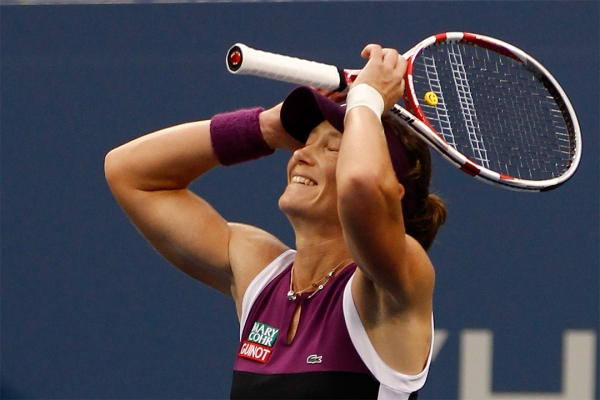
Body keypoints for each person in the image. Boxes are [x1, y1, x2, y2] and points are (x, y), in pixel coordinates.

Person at [104, 44, 446, 399]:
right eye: (305, 142)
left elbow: (361, 184)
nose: (300, 155)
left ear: (393, 193)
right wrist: (263, 128)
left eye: (332, 148)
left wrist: (368, 98)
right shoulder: (260, 272)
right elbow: (129, 173)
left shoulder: (397, 280)